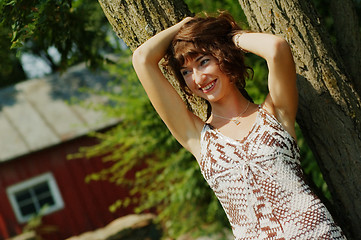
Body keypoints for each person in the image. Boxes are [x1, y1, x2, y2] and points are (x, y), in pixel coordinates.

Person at [132, 12, 346, 240]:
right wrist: (185, 25)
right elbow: (142, 59)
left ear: (223, 56)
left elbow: (276, 48)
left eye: (204, 62)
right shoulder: (197, 137)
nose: (198, 78)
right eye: (186, 72)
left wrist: (227, 37)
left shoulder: (275, 114)